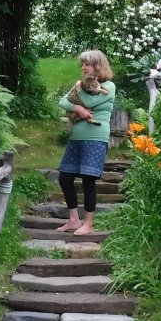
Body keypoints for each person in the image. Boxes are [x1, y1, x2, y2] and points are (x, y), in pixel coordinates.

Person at [55, 49, 115, 236]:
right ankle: (74, 220)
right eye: (82, 64)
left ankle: (88, 223)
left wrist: (79, 94)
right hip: (76, 137)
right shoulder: (82, 84)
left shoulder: (109, 86)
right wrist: (79, 109)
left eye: (86, 64)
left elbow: (90, 99)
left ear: (97, 66)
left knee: (88, 180)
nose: (83, 68)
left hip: (95, 137)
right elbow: (62, 102)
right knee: (65, 178)